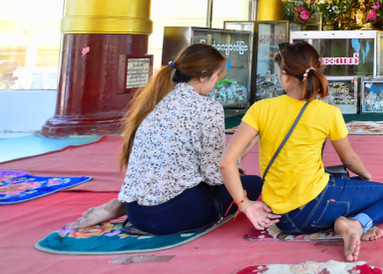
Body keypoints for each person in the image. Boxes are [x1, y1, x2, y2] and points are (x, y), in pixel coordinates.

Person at [220, 40, 383, 261]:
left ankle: (341, 222)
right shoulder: (328, 112)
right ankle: (356, 224)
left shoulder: (261, 109)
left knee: (345, 187)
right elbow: (349, 159)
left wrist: (246, 206)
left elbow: (226, 163)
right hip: (317, 205)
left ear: (284, 75)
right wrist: (365, 177)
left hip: (281, 218)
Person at [69, 43, 264, 234]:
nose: (217, 82)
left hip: (136, 212)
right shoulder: (208, 108)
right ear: (204, 75)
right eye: (218, 75)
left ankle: (119, 205)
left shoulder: (157, 100)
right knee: (253, 184)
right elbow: (214, 174)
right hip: (170, 216)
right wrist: (243, 149)